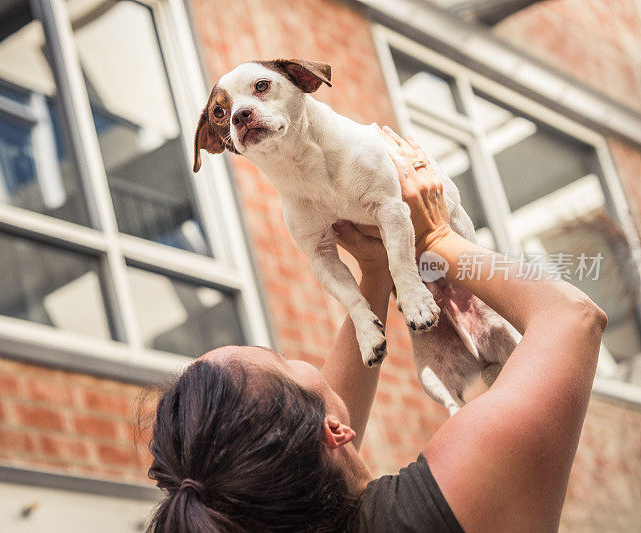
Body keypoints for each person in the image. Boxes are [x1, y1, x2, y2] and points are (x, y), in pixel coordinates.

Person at [144, 126, 607, 532]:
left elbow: (315, 450)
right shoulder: (434, 509)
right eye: (283, 360)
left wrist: (378, 266)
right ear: (333, 432)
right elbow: (572, 317)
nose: (308, 364)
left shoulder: (305, 512)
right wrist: (434, 236)